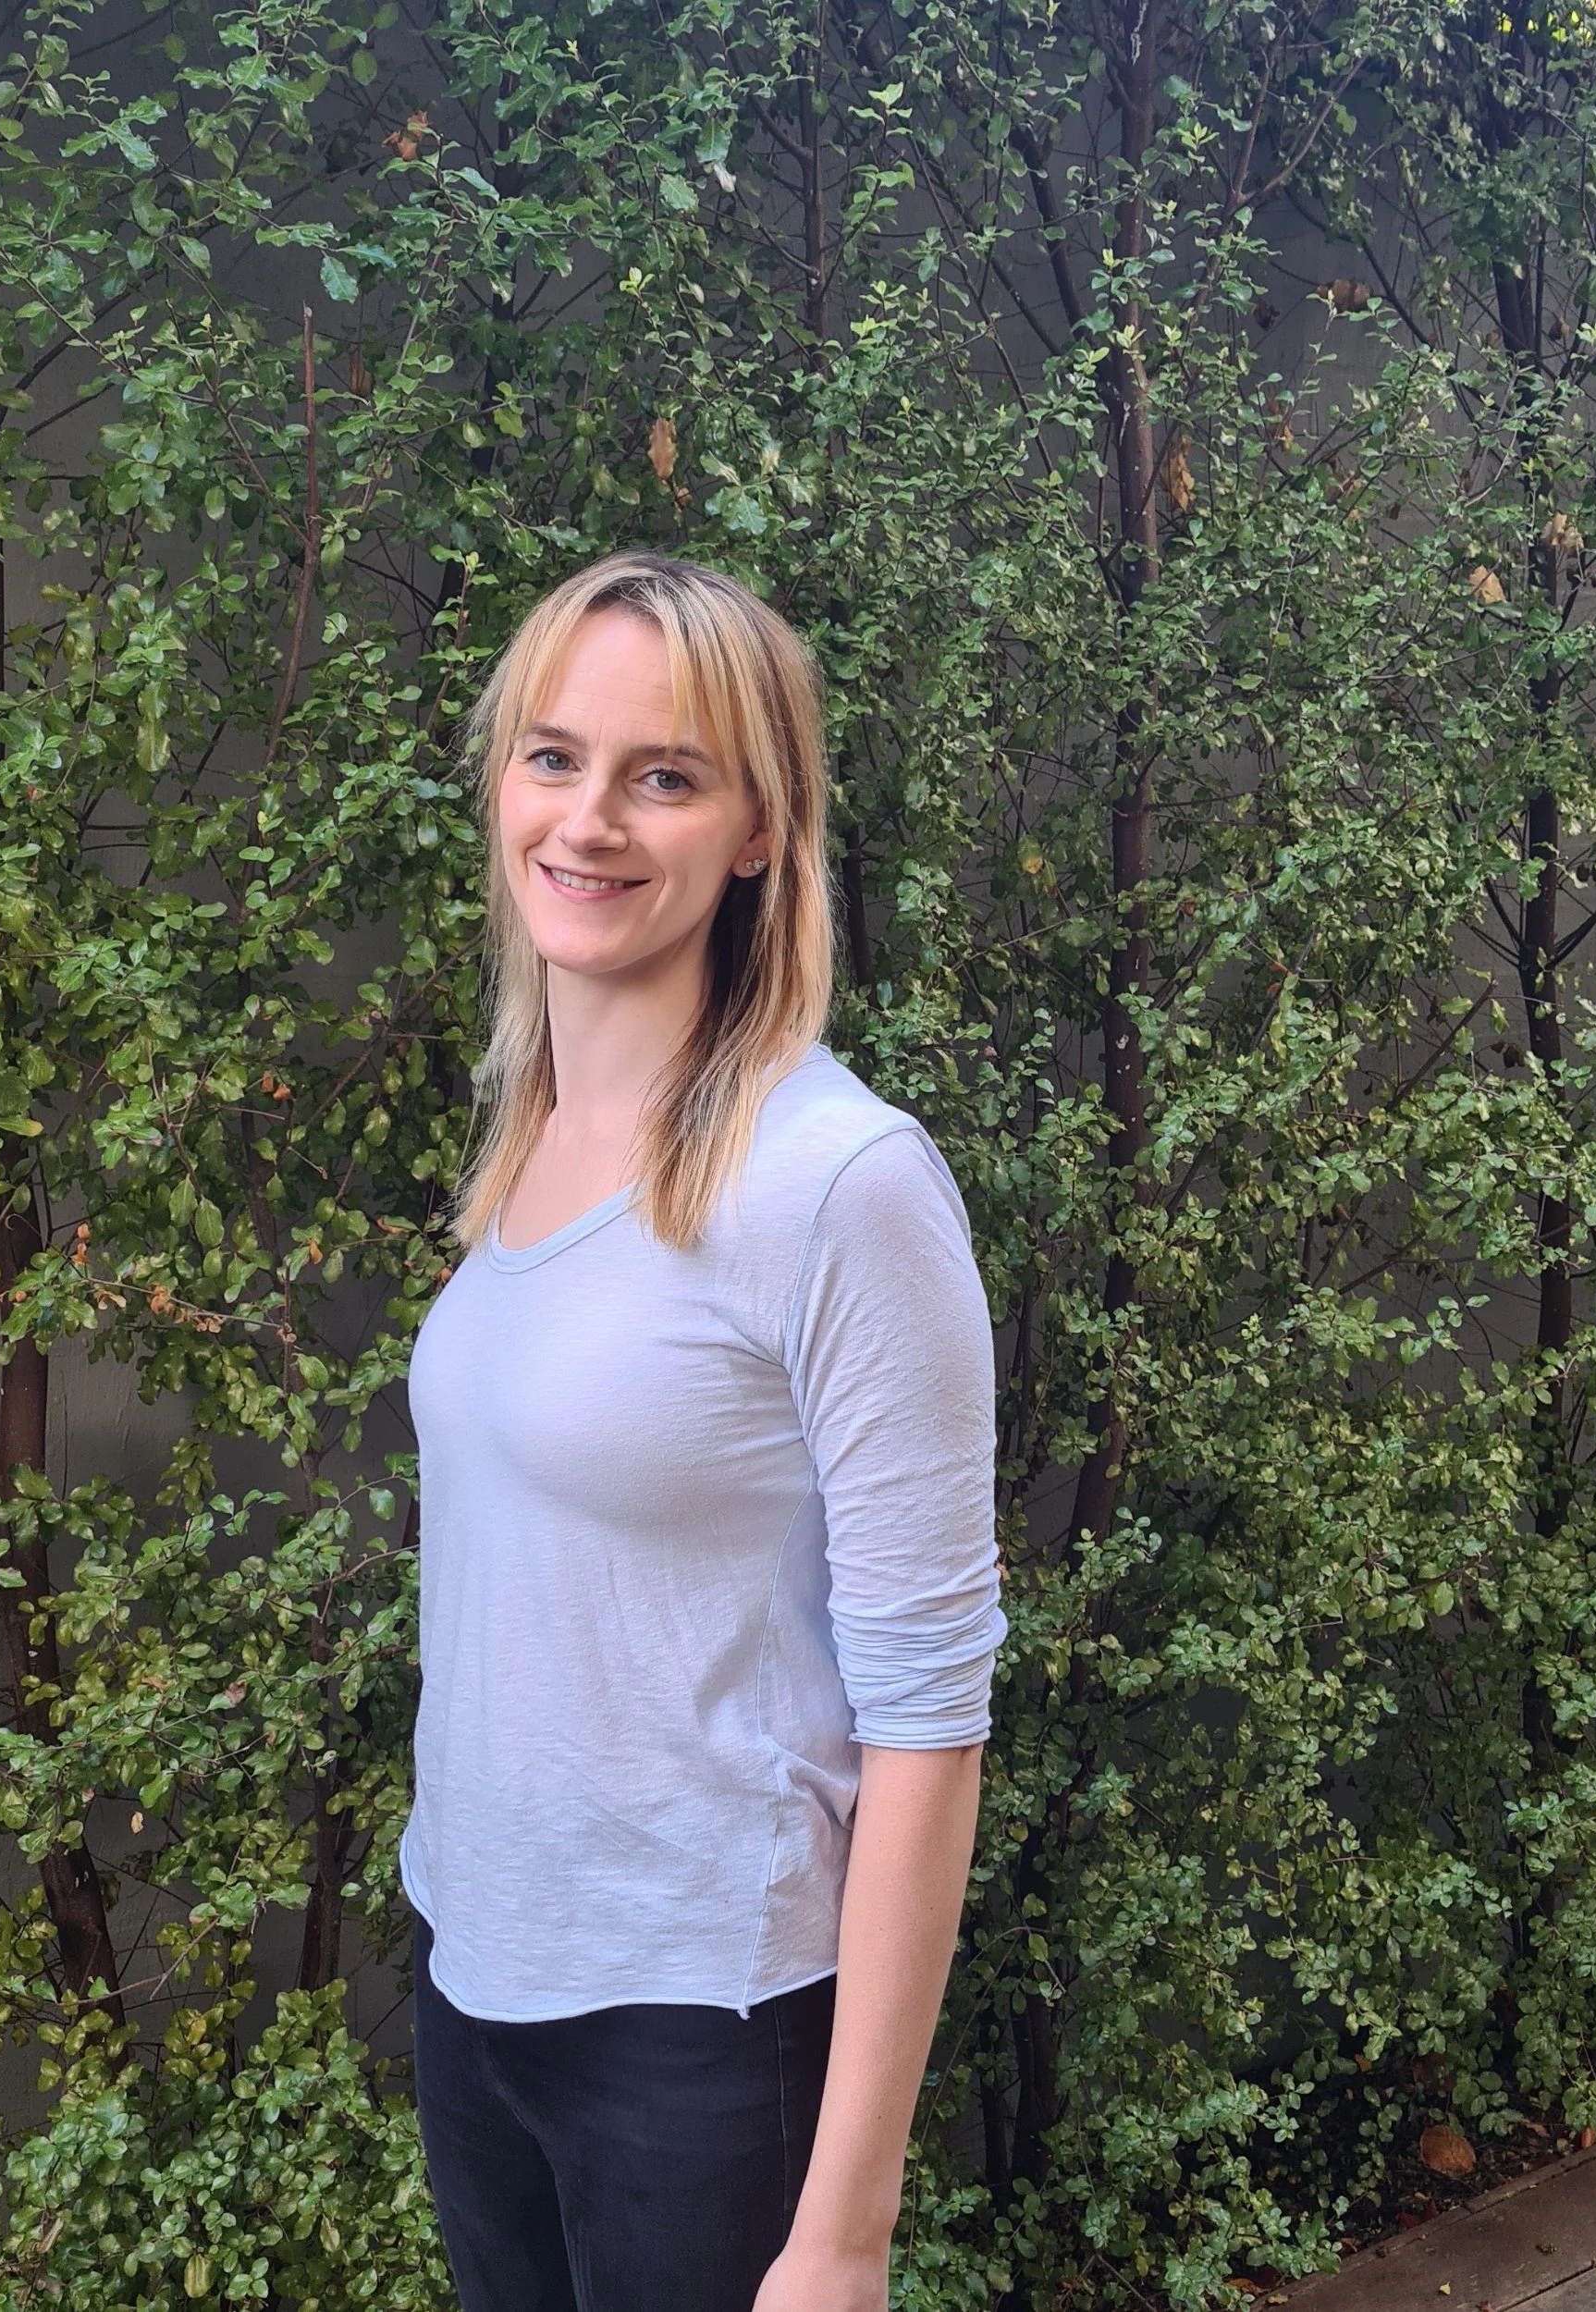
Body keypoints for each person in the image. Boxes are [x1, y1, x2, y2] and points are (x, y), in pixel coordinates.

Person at [401, 549, 1005, 2312]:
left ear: (757, 828)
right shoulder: (532, 1142)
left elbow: (929, 1719)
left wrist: (844, 2235)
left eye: (663, 775)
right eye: (552, 756)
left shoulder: (841, 1186)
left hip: (703, 2037)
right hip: (478, 1977)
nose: (590, 819)